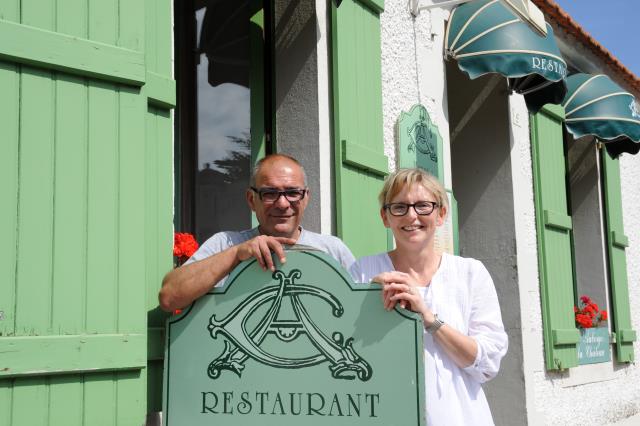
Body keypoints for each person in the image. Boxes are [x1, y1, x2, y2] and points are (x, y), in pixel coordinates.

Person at [349, 168, 507, 426]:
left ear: (441, 214)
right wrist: (369, 304)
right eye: (399, 207)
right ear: (385, 217)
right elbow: (347, 352)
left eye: (423, 206)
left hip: (460, 417)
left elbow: (487, 364)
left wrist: (428, 318)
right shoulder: (364, 271)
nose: (412, 215)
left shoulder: (470, 273)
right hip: (387, 414)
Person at [159, 154, 355, 312]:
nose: (282, 203)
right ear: (252, 200)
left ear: (306, 198)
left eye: (293, 192)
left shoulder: (332, 250)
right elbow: (169, 297)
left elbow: (360, 308)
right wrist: (237, 254)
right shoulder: (225, 244)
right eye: (270, 193)